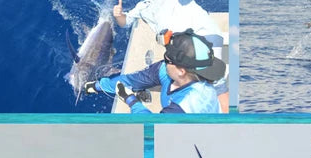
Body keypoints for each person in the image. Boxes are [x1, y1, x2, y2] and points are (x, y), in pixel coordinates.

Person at [113, 0, 229, 112]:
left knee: (214, 85)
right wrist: (119, 15)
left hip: (202, 37)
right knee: (189, 89)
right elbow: (125, 22)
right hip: (180, 53)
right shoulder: (143, 6)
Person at [84, 29, 225, 114]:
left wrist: (131, 100)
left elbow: (151, 127)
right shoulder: (169, 71)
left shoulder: (187, 106)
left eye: (167, 59)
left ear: (181, 71)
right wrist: (97, 86)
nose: (164, 60)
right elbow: (129, 81)